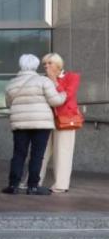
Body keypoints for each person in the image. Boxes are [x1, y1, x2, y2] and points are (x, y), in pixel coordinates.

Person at [3, 54, 65, 196]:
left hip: (20, 123)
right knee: (37, 155)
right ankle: (33, 187)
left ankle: (13, 185)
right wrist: (64, 95)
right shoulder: (43, 81)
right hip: (41, 123)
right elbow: (55, 101)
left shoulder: (12, 83)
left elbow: (8, 103)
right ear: (36, 66)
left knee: (18, 154)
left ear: (21, 65)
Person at [41, 53, 81, 193]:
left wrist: (54, 81)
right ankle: (33, 180)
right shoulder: (43, 79)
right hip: (46, 119)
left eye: (49, 63)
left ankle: (61, 185)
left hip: (65, 119)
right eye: (44, 64)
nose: (46, 66)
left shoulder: (72, 77)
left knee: (63, 151)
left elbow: (67, 96)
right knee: (41, 151)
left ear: (58, 64)